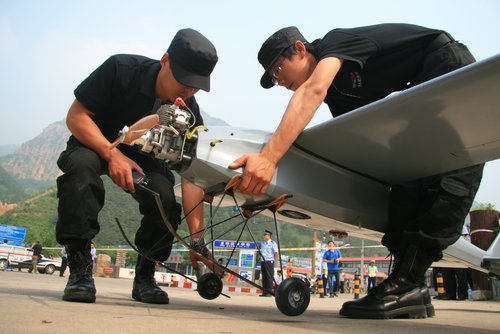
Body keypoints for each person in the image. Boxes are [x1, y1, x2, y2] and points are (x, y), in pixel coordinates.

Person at [230, 24, 484, 319]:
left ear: (300, 49)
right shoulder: (338, 95)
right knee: (406, 183)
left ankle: (406, 285)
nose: (279, 80)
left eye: (277, 69)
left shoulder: (335, 44)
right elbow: (363, 146)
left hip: (443, 63)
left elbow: (313, 91)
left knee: (449, 175)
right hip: (415, 95)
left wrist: (268, 158)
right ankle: (409, 286)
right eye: (273, 77)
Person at [55, 28, 219, 304]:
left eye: (195, 86)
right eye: (183, 81)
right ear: (165, 59)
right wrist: (112, 154)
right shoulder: (121, 69)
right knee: (81, 171)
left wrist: (197, 241)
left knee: (164, 199)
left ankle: (145, 276)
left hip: (144, 157)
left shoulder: (188, 112)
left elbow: (192, 174)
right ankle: (80, 269)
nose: (188, 91)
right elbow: (76, 116)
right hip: (94, 140)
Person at [259, 230, 278, 296]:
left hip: (269, 261)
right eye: (264, 235)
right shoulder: (263, 243)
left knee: (269, 276)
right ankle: (264, 292)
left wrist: (272, 259)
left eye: (265, 235)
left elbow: (276, 253)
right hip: (263, 261)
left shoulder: (273, 243)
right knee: (264, 277)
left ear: (269, 236)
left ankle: (269, 292)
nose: (264, 236)